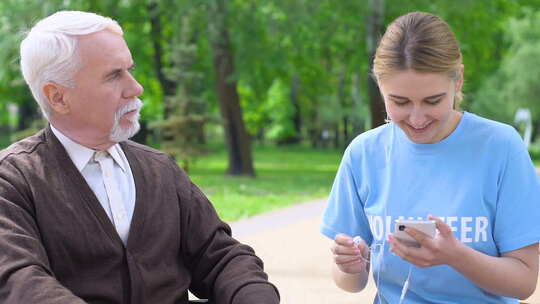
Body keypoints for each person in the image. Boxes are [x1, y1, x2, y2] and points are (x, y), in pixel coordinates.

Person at [0, 11, 280, 304]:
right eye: (113, 76)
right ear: (57, 97)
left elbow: (221, 257)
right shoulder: (12, 181)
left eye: (129, 70)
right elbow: (19, 283)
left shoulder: (160, 169)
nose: (135, 88)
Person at [320, 11, 540, 304]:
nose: (417, 118)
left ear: (458, 80)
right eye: (399, 102)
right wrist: (350, 264)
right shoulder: (363, 154)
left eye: (432, 101)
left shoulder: (501, 147)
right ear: (380, 88)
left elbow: (524, 282)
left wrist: (456, 256)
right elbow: (351, 283)